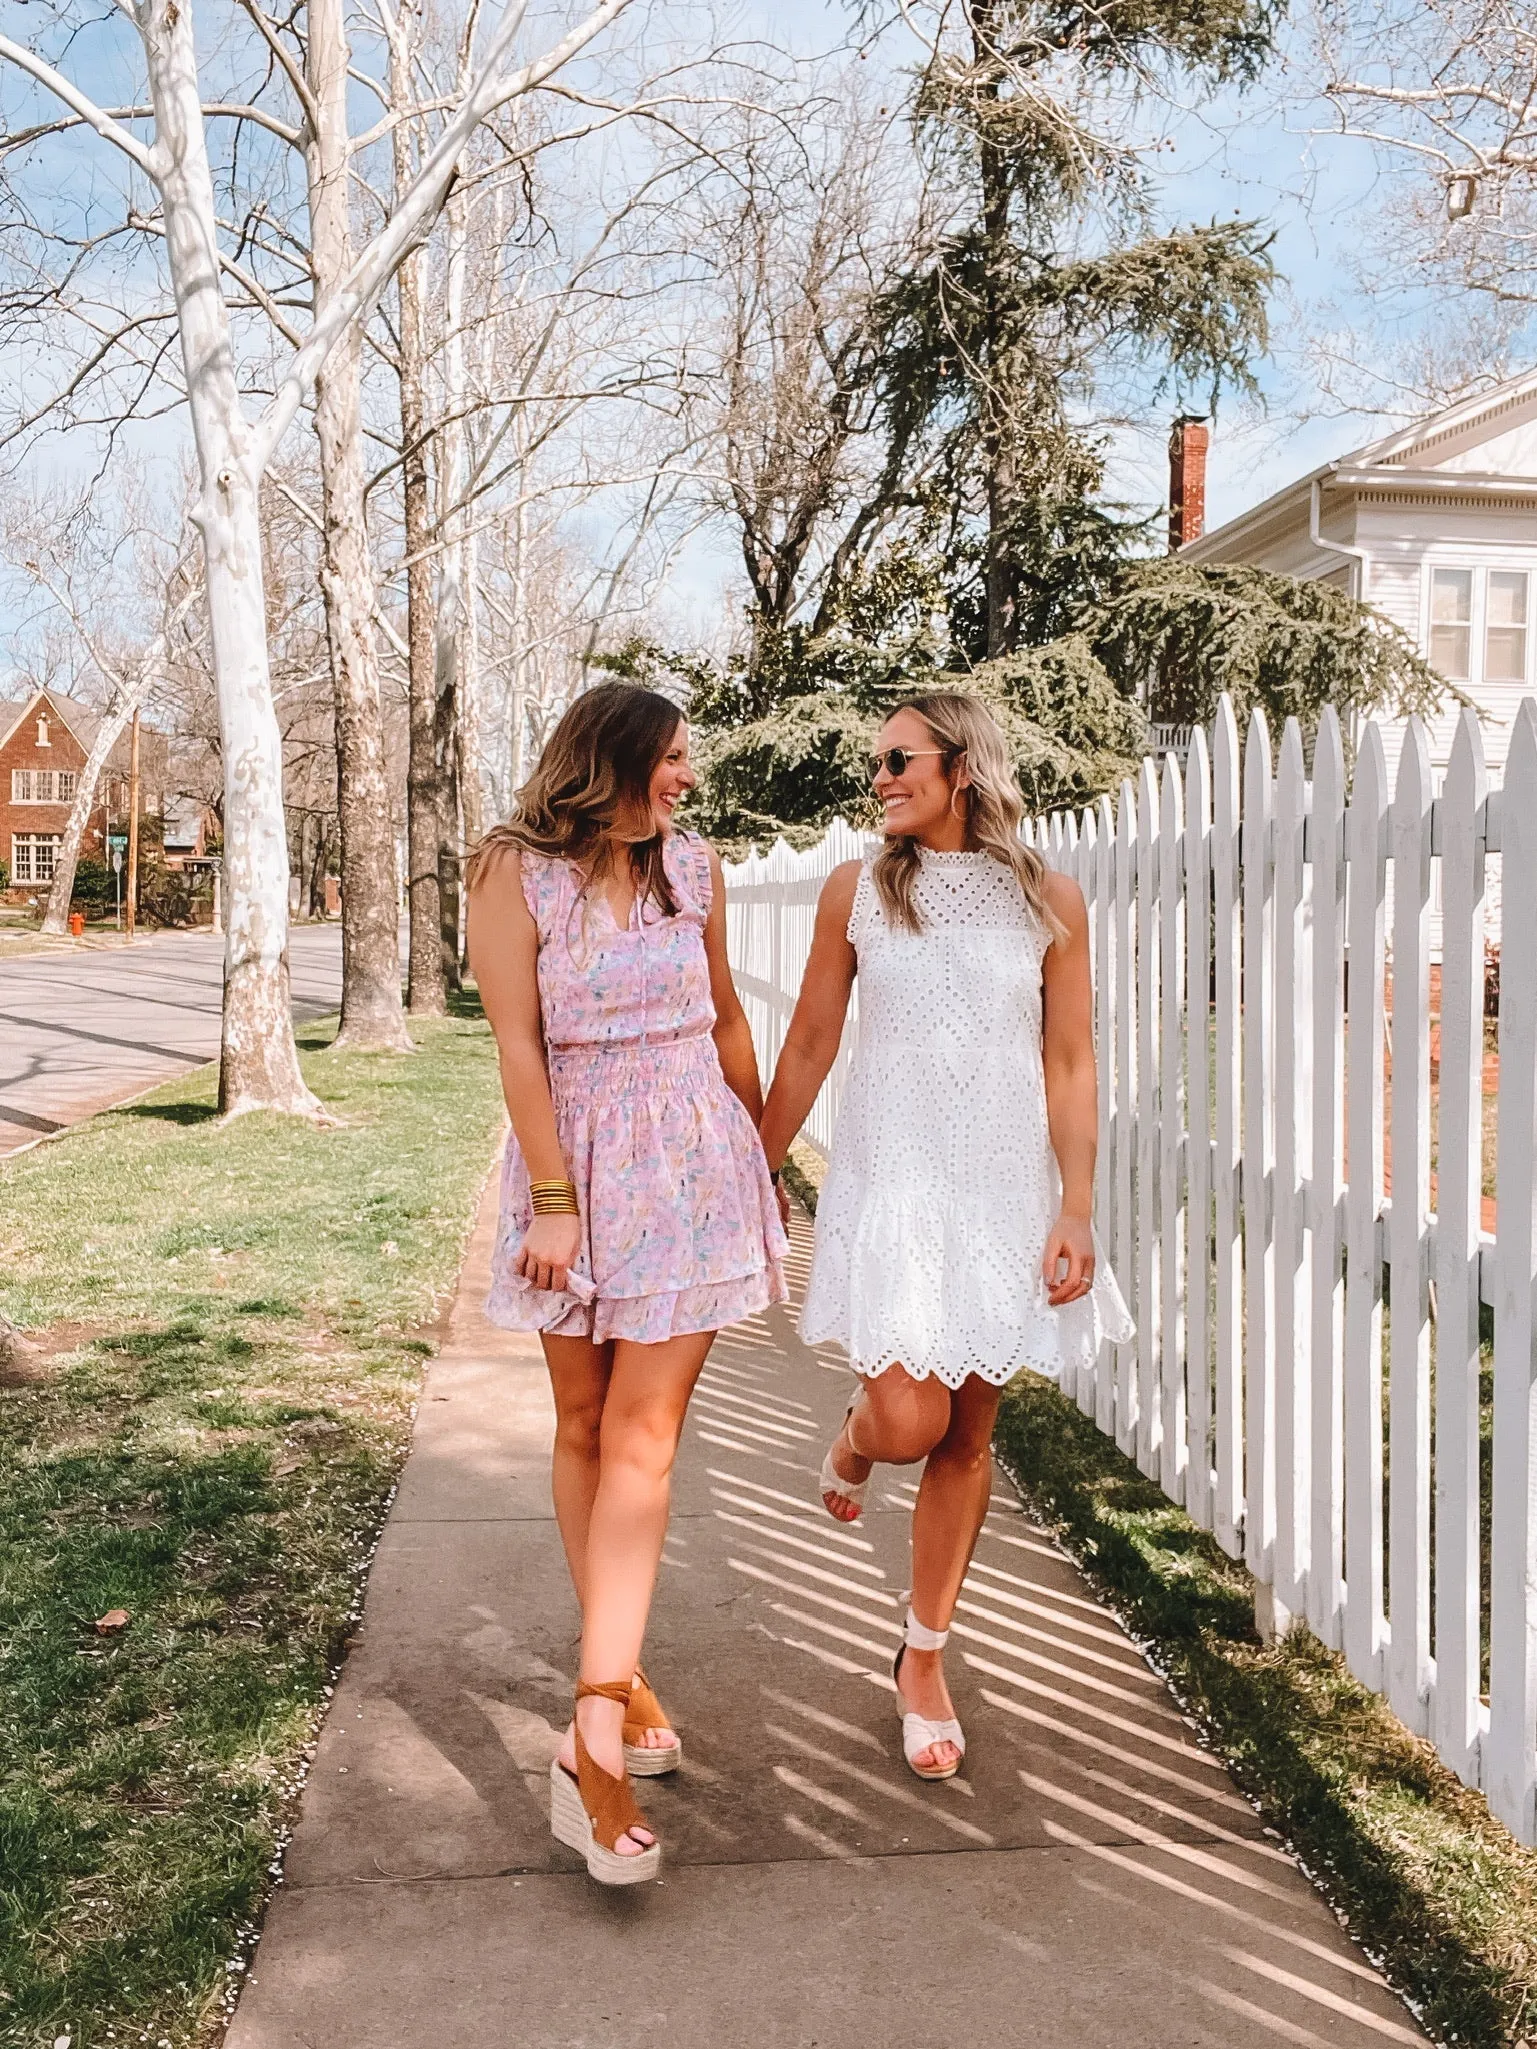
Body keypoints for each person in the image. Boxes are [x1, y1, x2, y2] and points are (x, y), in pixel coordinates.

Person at [757, 691, 1131, 1781]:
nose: (877, 775)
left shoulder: (1048, 900)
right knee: (912, 1422)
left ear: (960, 768)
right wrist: (755, 1162)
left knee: (969, 1438)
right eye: (874, 761)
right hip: (895, 1192)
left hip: (1001, 1195)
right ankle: (860, 1432)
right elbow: (813, 1039)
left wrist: (1076, 1206)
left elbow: (1070, 1060)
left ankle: (922, 1660)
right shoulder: (857, 891)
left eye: (896, 757)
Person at [466, 682, 787, 1884]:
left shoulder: (692, 870)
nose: (687, 778)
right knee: (588, 1425)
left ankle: (592, 1729)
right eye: (671, 758)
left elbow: (726, 1022)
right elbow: (514, 1043)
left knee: (643, 1438)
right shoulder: (512, 870)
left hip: (691, 1165)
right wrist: (552, 1200)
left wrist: (757, 1156)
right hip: (577, 1166)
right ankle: (625, 1667)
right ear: (608, 760)